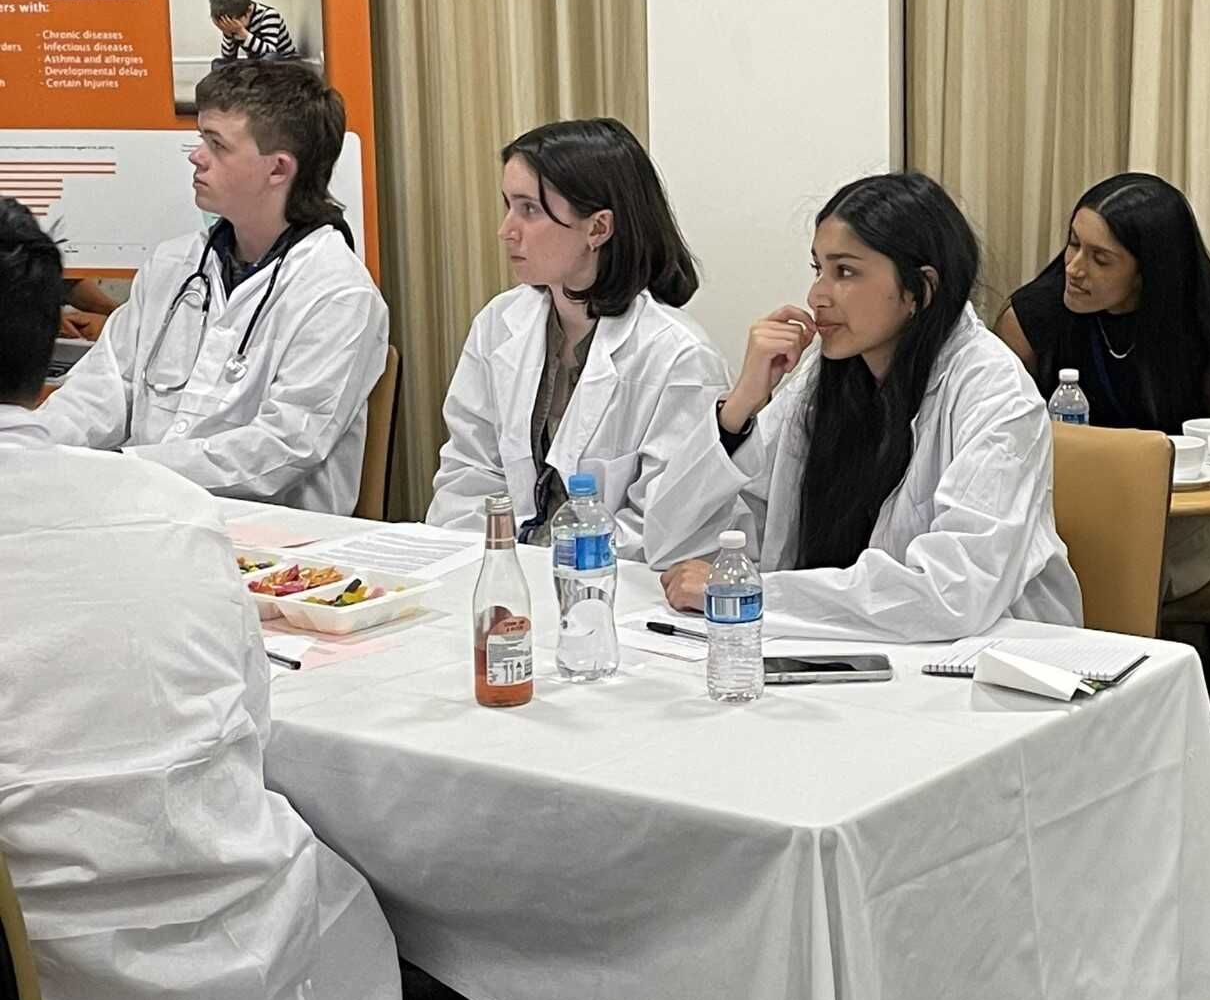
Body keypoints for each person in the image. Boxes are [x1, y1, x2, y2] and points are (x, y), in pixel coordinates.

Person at [0, 205, 402, 1000]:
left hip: (42, 969)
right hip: (245, 953)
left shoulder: (334, 289)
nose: (196, 159)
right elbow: (251, 725)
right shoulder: (176, 511)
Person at [654, 171, 1083, 641]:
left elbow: (953, 592)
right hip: (852, 652)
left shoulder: (995, 392)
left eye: (845, 272)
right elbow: (670, 544)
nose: (816, 296)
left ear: (920, 289)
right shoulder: (824, 378)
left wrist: (753, 593)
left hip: (988, 659)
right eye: (818, 269)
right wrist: (738, 407)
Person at [37, 62, 389, 514]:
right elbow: (103, 387)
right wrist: (36, 451)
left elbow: (282, 447)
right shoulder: (174, 265)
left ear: (278, 170)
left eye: (217, 145)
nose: (196, 156)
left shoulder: (339, 294)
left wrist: (127, 468)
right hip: (142, 512)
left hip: (268, 534)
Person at [427, 117, 731, 564]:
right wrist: (491, 567)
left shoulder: (679, 356)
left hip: (610, 583)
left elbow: (661, 529)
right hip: (501, 571)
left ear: (598, 228)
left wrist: (557, 562)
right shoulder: (499, 324)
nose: (506, 229)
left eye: (529, 209)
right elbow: (468, 477)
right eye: (508, 205)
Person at [996, 172, 1210, 600]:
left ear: (1148, 271)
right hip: (1065, 508)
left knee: (1117, 571)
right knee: (1039, 562)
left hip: (1189, 512)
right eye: (1073, 244)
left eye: (1100, 259)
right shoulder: (1032, 319)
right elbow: (1003, 444)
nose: (1074, 269)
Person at [210, 0, 300, 66]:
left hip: (285, 61)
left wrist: (242, 32)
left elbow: (270, 51)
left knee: (269, 57)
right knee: (219, 63)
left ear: (248, 11)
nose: (231, 25)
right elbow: (228, 58)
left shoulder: (268, 15)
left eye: (233, 22)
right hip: (258, 62)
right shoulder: (232, 23)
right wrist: (227, 34)